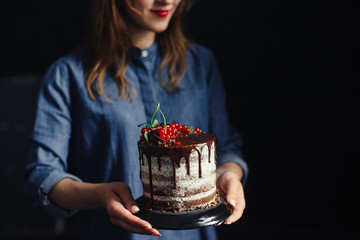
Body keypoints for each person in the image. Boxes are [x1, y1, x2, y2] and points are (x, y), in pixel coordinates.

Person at [23, 0, 248, 239]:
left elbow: (228, 148)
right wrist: (101, 194)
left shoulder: (201, 63)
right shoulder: (68, 75)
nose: (167, 1)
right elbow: (42, 177)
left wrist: (229, 172)